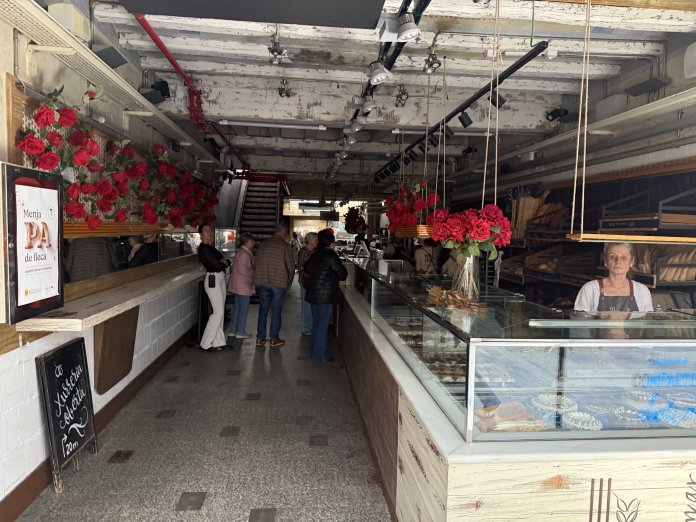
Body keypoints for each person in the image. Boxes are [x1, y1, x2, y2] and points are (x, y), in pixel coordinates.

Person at [304, 229, 348, 363]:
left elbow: (306, 268)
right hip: (325, 296)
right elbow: (343, 274)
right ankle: (319, 356)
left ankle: (314, 351)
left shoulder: (315, 254)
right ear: (331, 243)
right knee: (322, 326)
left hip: (313, 294)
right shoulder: (330, 255)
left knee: (316, 324)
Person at [575, 242, 653, 312]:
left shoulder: (642, 291)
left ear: (631, 262)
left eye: (624, 257)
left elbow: (647, 321)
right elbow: (579, 321)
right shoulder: (590, 289)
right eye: (612, 257)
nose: (618, 261)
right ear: (606, 261)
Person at [252, 222, 295, 347]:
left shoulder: (263, 244)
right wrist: (288, 282)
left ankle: (260, 338)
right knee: (276, 311)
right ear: (282, 232)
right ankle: (274, 338)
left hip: (263, 282)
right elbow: (291, 267)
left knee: (263, 310)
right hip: (279, 283)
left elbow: (255, 263)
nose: (286, 235)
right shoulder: (286, 246)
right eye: (286, 233)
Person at [197, 224, 232, 352]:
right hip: (213, 279)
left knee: (220, 311)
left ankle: (218, 341)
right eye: (206, 230)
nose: (209, 232)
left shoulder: (210, 248)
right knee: (218, 312)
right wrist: (224, 263)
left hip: (220, 278)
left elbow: (225, 260)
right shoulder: (203, 249)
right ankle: (205, 343)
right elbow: (218, 265)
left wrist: (224, 262)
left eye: (210, 230)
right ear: (201, 234)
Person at [227, 233, 255, 340]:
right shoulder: (244, 254)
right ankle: (240, 331)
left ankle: (233, 330)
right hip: (243, 286)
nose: (253, 243)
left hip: (238, 285)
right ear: (248, 242)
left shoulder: (240, 252)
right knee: (243, 309)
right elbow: (242, 269)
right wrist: (252, 272)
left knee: (237, 308)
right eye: (252, 241)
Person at [298, 232, 319, 336]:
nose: (317, 242)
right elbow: (301, 268)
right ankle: (306, 327)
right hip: (306, 282)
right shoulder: (304, 252)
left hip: (311, 282)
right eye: (315, 240)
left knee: (310, 304)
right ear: (309, 241)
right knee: (306, 304)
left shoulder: (314, 251)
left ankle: (310, 326)